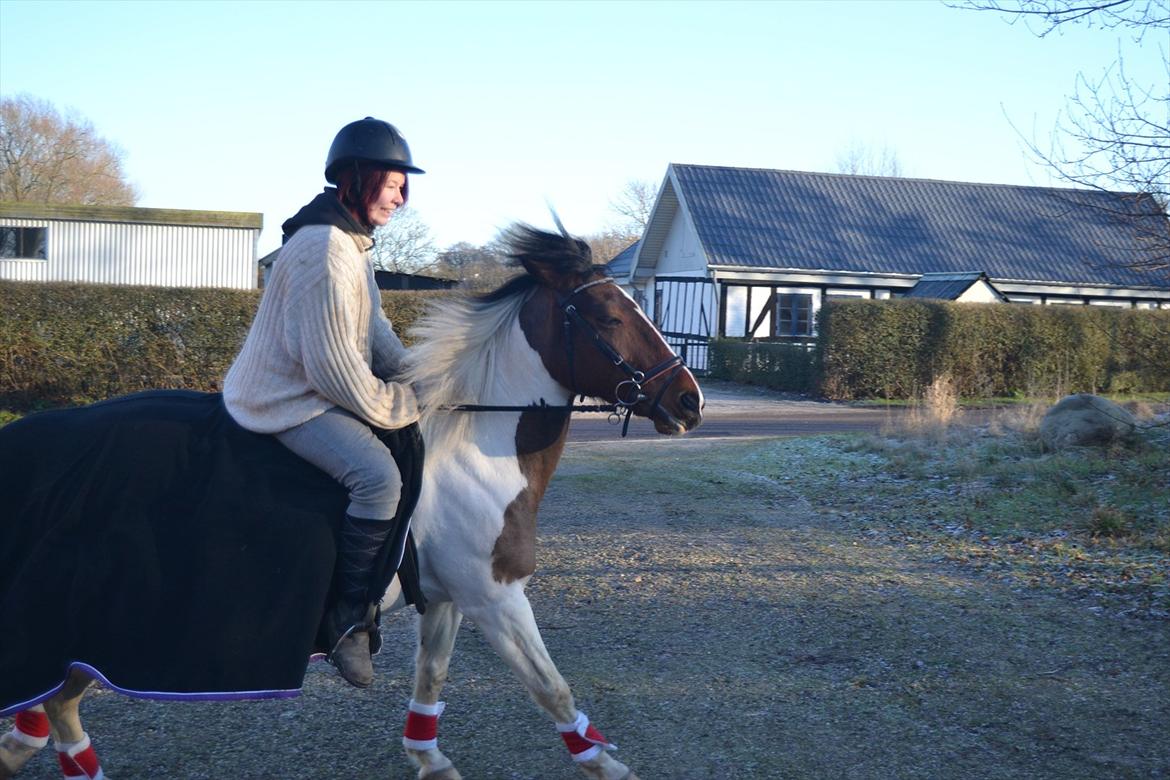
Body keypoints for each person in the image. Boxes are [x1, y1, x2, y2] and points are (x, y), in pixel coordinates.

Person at [223, 117, 424, 688]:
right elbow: (336, 372)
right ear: (358, 179)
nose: (402, 195)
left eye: (404, 184)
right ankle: (344, 621)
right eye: (393, 182)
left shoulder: (352, 246)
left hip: (310, 388)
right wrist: (403, 403)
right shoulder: (323, 249)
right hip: (284, 400)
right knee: (377, 478)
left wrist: (426, 378)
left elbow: (375, 329)